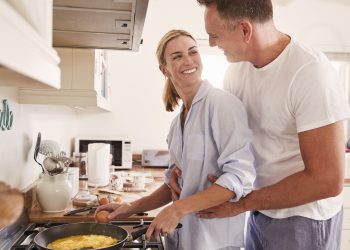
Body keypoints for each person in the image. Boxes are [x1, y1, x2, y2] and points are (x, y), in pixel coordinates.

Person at [168, 1, 350, 249]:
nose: (210, 43)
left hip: (303, 218)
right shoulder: (236, 71)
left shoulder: (310, 72)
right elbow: (232, 146)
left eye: (215, 35)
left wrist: (242, 203)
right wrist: (186, 173)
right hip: (260, 210)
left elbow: (327, 180)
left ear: (245, 30)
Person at [95, 29, 256, 250]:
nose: (188, 60)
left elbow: (241, 176)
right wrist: (129, 207)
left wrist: (177, 209)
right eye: (177, 56)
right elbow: (174, 186)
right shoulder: (177, 123)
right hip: (180, 240)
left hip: (212, 241)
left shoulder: (222, 105)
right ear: (165, 69)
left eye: (192, 52)